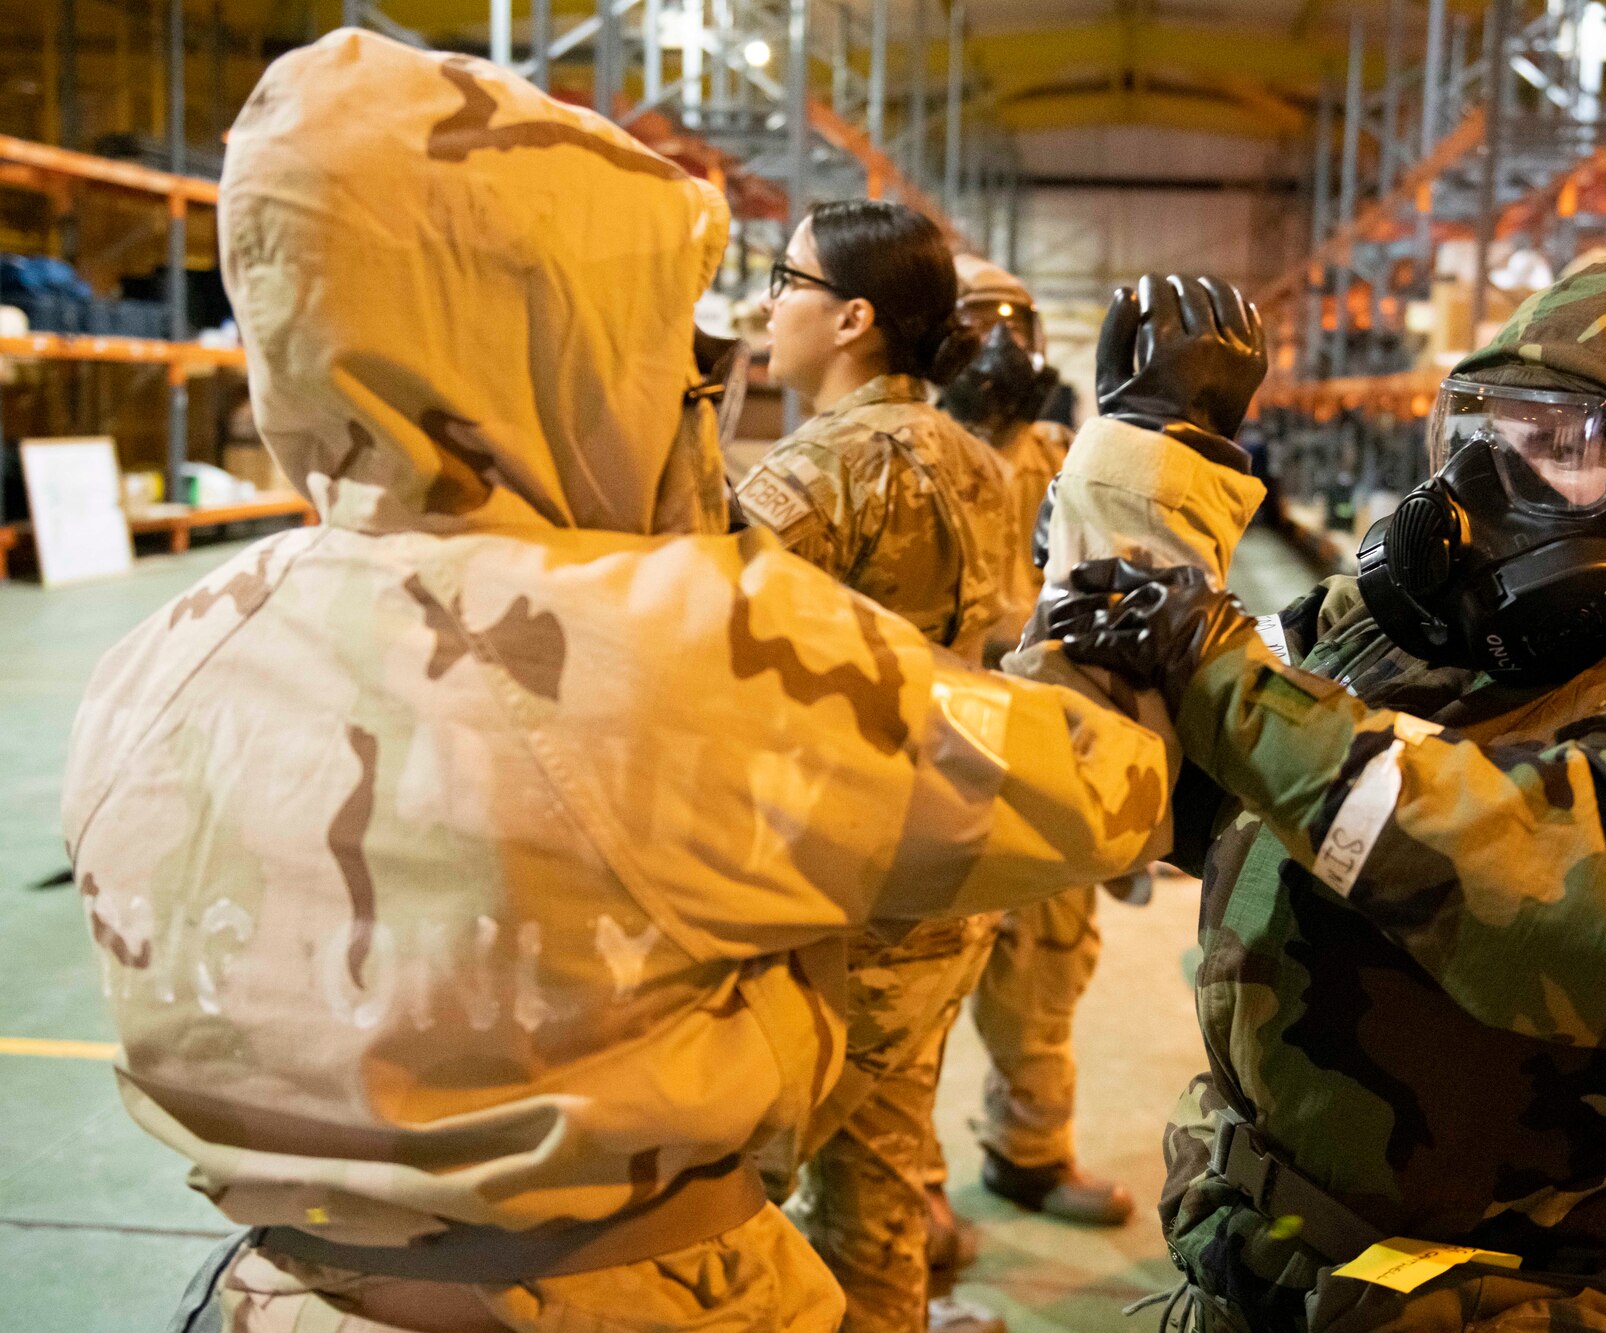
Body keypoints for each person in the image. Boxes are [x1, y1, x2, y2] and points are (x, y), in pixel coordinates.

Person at [63, 33, 1187, 1333]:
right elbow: (1107, 788)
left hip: (275, 1295)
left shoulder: (162, 653)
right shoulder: (690, 638)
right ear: (563, 324)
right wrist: (1167, 471)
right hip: (640, 1296)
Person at [1047, 235, 1606, 1331]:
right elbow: (1125, 775)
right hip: (1254, 1269)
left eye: (1559, 447)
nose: (1479, 487)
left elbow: (1578, 909)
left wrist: (1226, 684)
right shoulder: (1391, 629)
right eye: (1482, 432)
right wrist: (1139, 467)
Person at [731, 202, 1018, 1333]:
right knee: (878, 1186)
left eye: (780, 277)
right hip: (945, 885)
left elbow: (690, 661)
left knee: (724, 1198)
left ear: (850, 316)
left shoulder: (803, 482)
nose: (765, 302)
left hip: (827, 905)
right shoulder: (979, 463)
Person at [934, 255, 1136, 1235]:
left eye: (1016, 320)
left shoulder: (1065, 453)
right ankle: (903, 1190)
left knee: (1047, 968)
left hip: (1045, 756)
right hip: (932, 765)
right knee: (911, 990)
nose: (1002, 344)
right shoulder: (906, 456)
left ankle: (1028, 1151)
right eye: (978, 322)